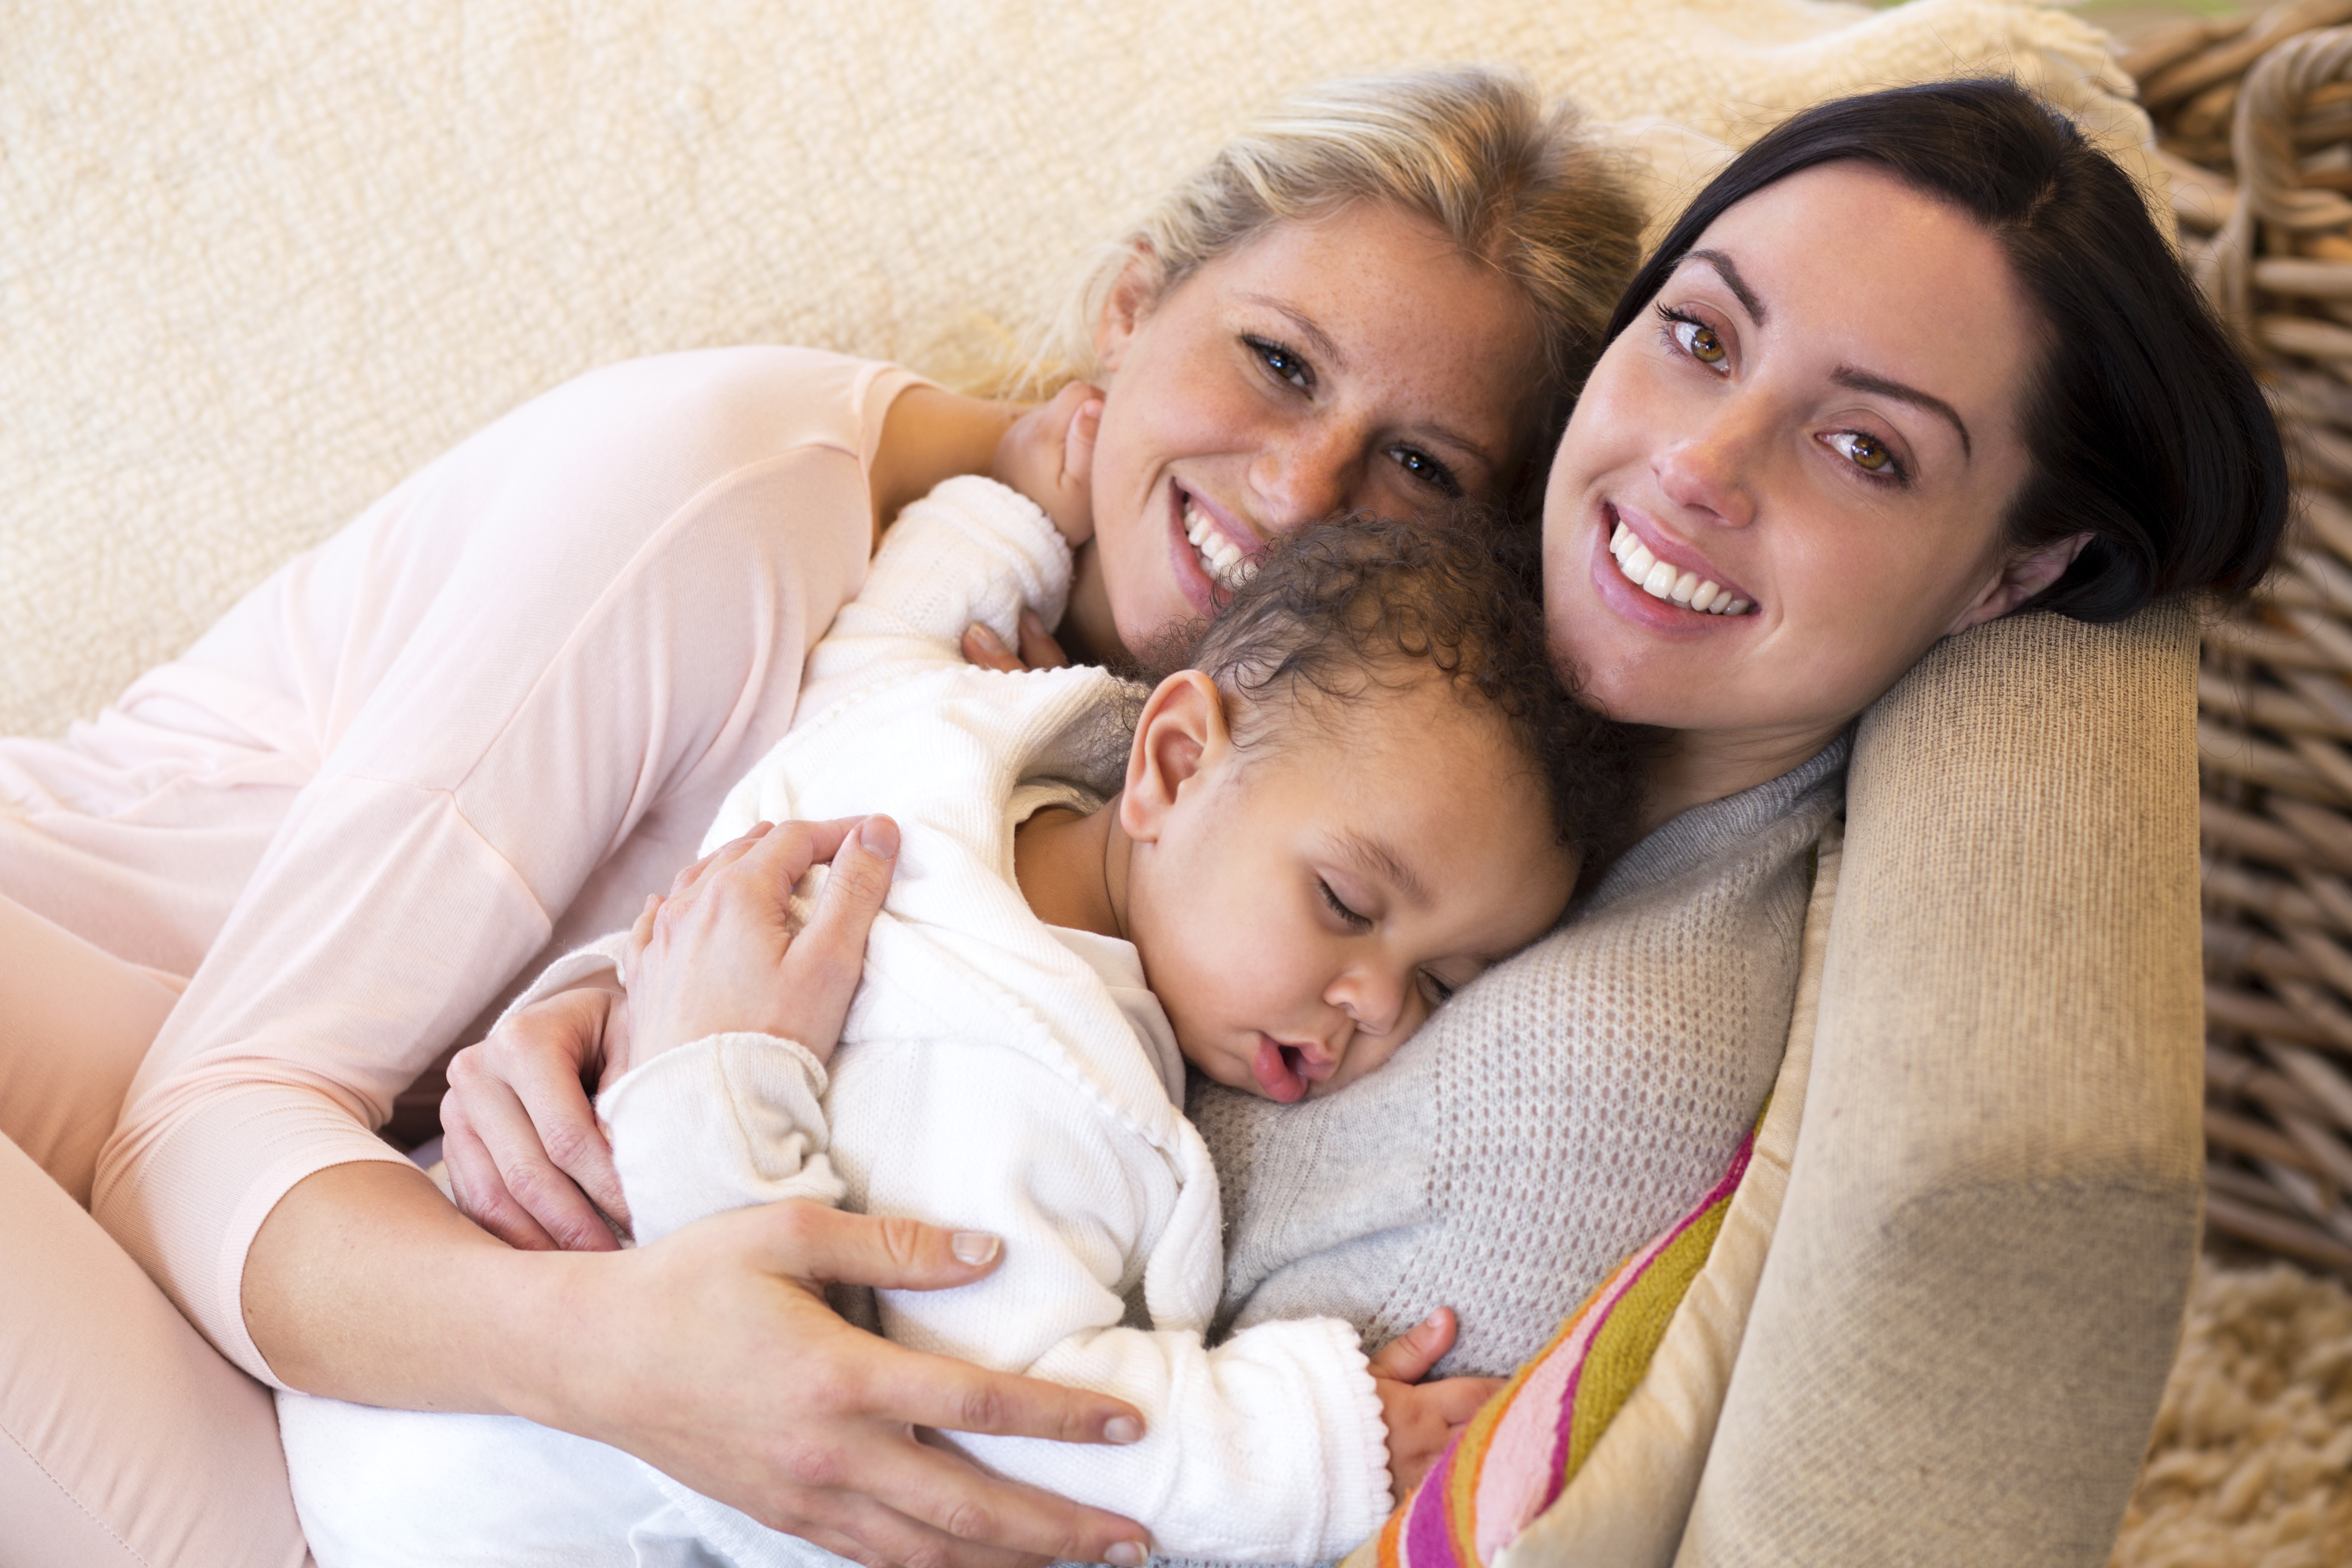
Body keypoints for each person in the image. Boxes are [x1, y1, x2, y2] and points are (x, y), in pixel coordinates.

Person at [446, 74, 2290, 1560]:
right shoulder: (1431, 657)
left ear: (2005, 579)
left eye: (1868, 450)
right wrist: (612, 993)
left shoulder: (1571, 1084)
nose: (1699, 467)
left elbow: (987, 1420)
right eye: (1703, 340)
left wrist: (699, 1095)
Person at [0, 69, 1643, 1568]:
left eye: (1420, 469)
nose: (1299, 496)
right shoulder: (729, 515)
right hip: (112, 1089)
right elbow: (197, 1126)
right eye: (1276, 363)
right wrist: (642, 1360)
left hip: (299, 1273)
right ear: (1132, 304)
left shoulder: (1131, 769)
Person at [279, 443, 1646, 1562]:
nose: (1369, 1006)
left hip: (407, 1353)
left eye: (1442, 984)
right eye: (1347, 906)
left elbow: (879, 643)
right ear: (1169, 761)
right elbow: (993, 1418)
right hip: (516, 1506)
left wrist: (1002, 509)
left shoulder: (942, 746)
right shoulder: (1035, 1078)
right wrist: (1316, 1446)